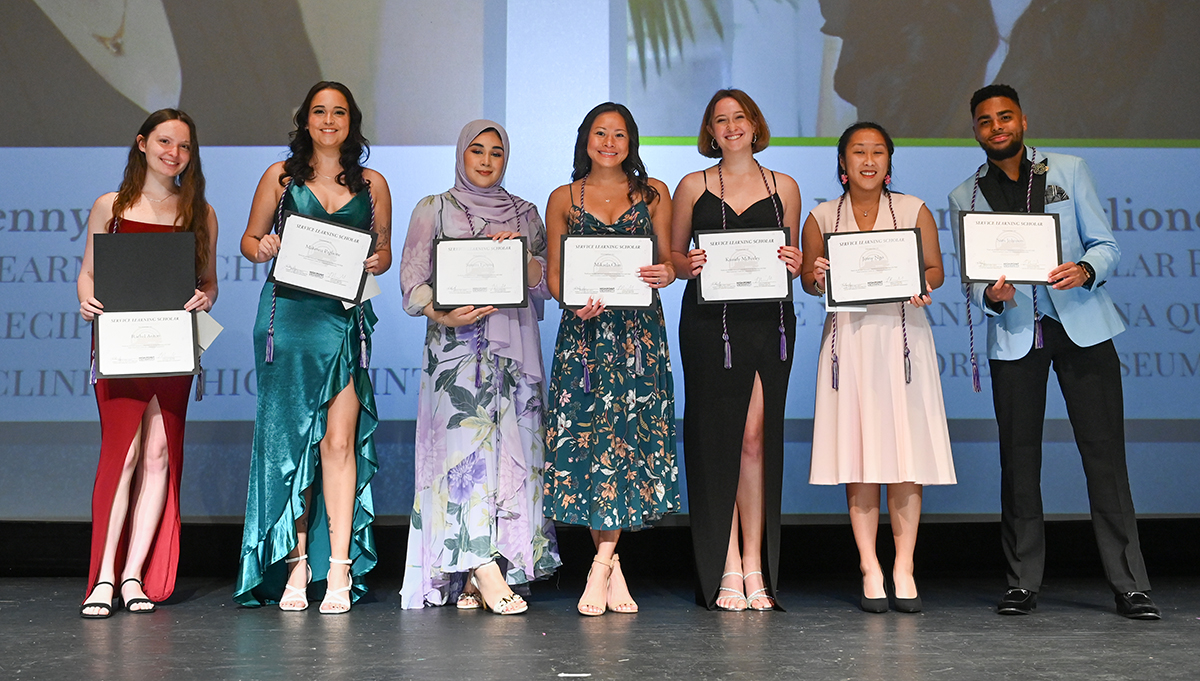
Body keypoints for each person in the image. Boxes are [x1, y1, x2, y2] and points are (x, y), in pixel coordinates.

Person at [948, 84, 1159, 619]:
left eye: (1006, 117)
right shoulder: (964, 197)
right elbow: (971, 279)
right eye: (986, 121)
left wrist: (1086, 270)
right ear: (975, 130)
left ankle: (1130, 584)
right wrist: (990, 296)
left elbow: (1106, 245)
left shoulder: (1067, 170)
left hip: (1082, 324)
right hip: (1016, 333)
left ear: (1022, 120)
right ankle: (1022, 582)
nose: (997, 127)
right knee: (1018, 460)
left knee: (1105, 455)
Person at [235, 82, 392, 614]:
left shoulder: (373, 183)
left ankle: (340, 570)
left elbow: (384, 249)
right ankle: (296, 563)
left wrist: (377, 262)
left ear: (352, 121)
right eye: (319, 111)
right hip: (289, 319)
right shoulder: (279, 178)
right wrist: (267, 246)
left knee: (338, 444)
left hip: (344, 320)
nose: (329, 120)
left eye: (339, 112)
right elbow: (250, 242)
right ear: (305, 120)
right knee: (292, 446)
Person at [397, 120, 561, 613]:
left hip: (513, 357)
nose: (487, 160)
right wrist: (441, 312)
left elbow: (546, 281)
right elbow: (412, 281)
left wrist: (520, 255)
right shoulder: (434, 207)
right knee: (464, 459)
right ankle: (481, 568)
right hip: (456, 353)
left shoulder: (527, 213)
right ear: (461, 155)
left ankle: (486, 566)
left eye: (496, 152)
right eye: (477, 150)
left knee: (512, 452)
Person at [801, 122, 955, 614]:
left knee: (905, 457)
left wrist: (921, 284)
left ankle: (904, 565)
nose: (869, 160)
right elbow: (807, 279)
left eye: (879, 152)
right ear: (842, 163)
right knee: (860, 453)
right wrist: (816, 273)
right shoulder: (822, 216)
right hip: (850, 341)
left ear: (890, 161)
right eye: (858, 152)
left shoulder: (913, 210)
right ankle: (870, 564)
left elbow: (935, 270)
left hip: (902, 340)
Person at [77, 109, 219, 618]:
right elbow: (88, 274)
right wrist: (86, 300)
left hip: (172, 349)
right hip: (120, 348)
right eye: (164, 142)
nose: (173, 153)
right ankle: (104, 578)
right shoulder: (110, 208)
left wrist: (205, 299)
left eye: (183, 146)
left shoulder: (199, 212)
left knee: (159, 455)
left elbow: (209, 282)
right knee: (125, 455)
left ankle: (135, 574)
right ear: (142, 144)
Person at [542, 102, 679, 616]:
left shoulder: (653, 194)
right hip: (584, 336)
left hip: (639, 338)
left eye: (619, 134)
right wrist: (570, 301)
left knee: (628, 444)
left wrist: (666, 274)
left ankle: (598, 566)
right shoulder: (563, 198)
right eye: (600, 133)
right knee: (591, 442)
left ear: (631, 142)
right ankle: (611, 566)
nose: (609, 142)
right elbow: (555, 275)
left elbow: (667, 259)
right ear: (585, 139)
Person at [669, 89, 802, 611]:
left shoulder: (783, 185)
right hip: (708, 325)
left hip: (769, 324)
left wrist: (794, 261)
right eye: (720, 120)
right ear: (709, 131)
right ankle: (725, 563)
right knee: (714, 440)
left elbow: (797, 258)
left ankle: (755, 564)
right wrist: (689, 264)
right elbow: (674, 258)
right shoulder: (692, 185)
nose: (730, 127)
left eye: (739, 117)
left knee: (754, 441)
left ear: (755, 123)